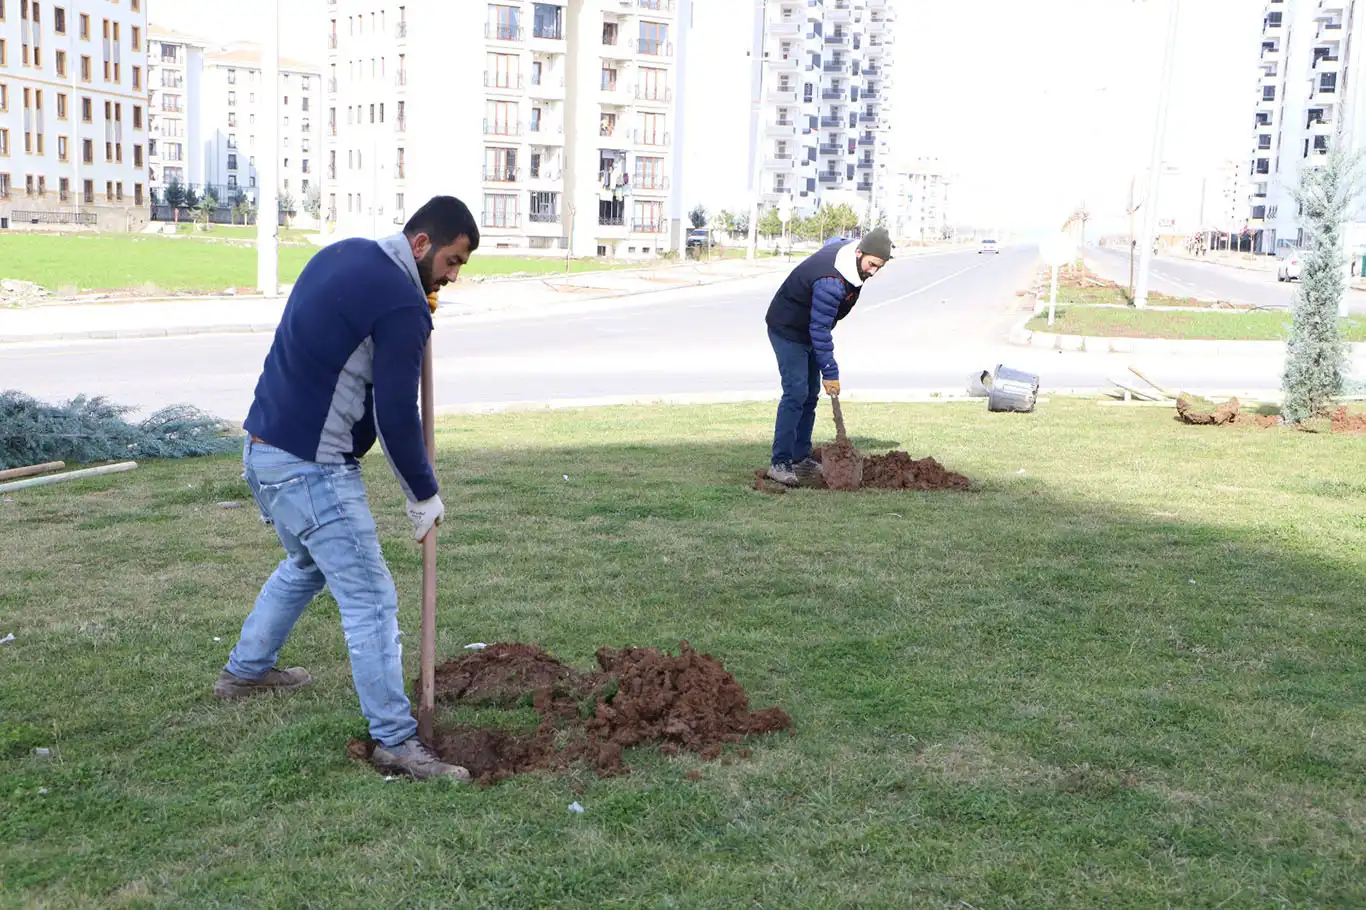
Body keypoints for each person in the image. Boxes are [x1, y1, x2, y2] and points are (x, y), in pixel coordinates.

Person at [214, 195, 479, 781]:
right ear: (421, 244)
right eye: (452, 262)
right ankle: (395, 741)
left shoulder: (344, 255)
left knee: (306, 564)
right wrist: (422, 494)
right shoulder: (402, 304)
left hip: (261, 449)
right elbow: (395, 417)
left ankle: (246, 671)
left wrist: (416, 306)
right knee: (371, 600)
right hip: (312, 466)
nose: (453, 277)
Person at [763, 228, 893, 486]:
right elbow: (820, 329)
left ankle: (800, 456)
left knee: (811, 393)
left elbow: (833, 242)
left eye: (879, 266)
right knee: (796, 392)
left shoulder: (851, 257)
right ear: (859, 253)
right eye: (871, 264)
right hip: (788, 328)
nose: (873, 271)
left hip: (809, 327)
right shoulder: (831, 282)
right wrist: (830, 372)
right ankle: (780, 462)